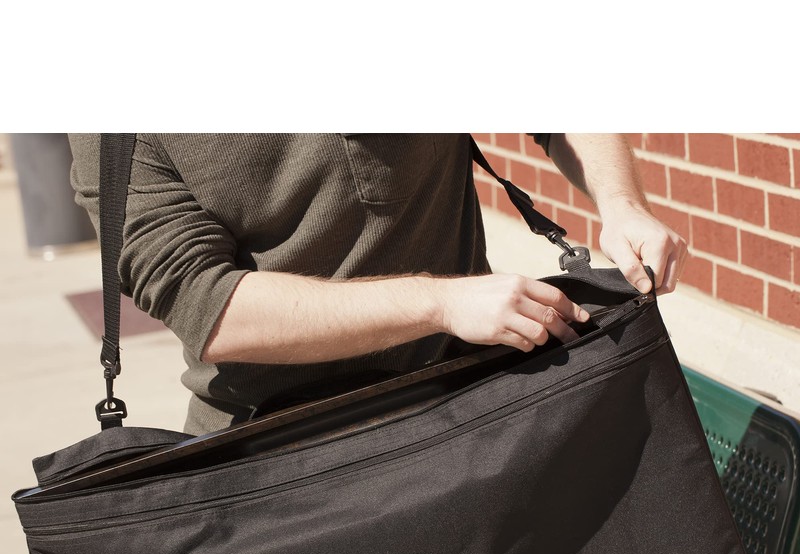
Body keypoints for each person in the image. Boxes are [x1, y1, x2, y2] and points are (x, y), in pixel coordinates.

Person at [68, 133, 687, 435]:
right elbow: (206, 304)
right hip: (281, 467)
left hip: (479, 406)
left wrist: (624, 203)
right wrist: (439, 302)